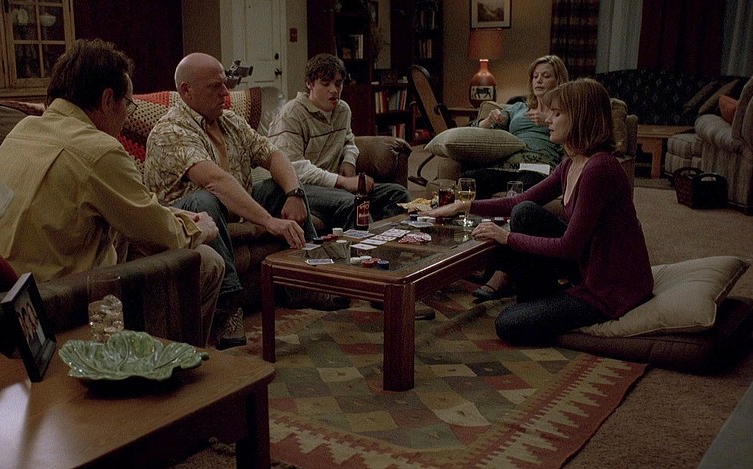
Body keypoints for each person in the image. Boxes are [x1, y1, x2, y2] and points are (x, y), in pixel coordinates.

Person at [0, 39, 225, 346]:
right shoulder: (98, 151)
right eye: (127, 103)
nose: (127, 116)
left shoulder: (23, 130)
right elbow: (162, 234)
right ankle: (171, 366)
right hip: (51, 301)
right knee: (206, 261)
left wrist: (174, 215)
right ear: (107, 100)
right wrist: (199, 227)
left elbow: (135, 210)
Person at [423, 78, 653, 344]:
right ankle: (544, 302)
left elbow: (569, 247)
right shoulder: (571, 164)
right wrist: (463, 206)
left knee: (508, 324)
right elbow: (519, 201)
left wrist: (507, 237)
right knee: (525, 211)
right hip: (588, 266)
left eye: (557, 114)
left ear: (580, 118)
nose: (548, 120)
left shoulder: (599, 169)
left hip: (612, 288)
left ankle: (548, 304)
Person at [144, 53, 347, 350]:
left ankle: (308, 280)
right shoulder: (170, 130)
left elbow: (274, 155)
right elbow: (215, 181)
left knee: (279, 188)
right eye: (215, 87)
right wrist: (269, 221)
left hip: (232, 204)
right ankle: (227, 309)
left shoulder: (229, 121)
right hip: (189, 214)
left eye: (224, 84)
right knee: (206, 199)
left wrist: (294, 193)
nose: (225, 93)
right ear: (187, 91)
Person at [463, 55, 570, 301]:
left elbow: (573, 138)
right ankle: (478, 256)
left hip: (540, 168)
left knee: (520, 196)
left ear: (559, 80)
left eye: (546, 76)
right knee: (471, 179)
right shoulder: (518, 108)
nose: (539, 80)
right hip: (509, 164)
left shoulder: (564, 111)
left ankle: (503, 272)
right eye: (535, 76)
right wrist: (489, 120)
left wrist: (548, 120)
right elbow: (476, 132)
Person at [267, 53, 410, 230]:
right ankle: (367, 246)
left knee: (397, 194)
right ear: (310, 84)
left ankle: (389, 241)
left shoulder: (342, 110)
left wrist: (349, 160)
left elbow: (349, 141)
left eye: (338, 83)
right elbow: (293, 168)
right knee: (353, 204)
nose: (334, 90)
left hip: (332, 188)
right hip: (300, 188)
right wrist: (342, 181)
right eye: (325, 84)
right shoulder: (292, 114)